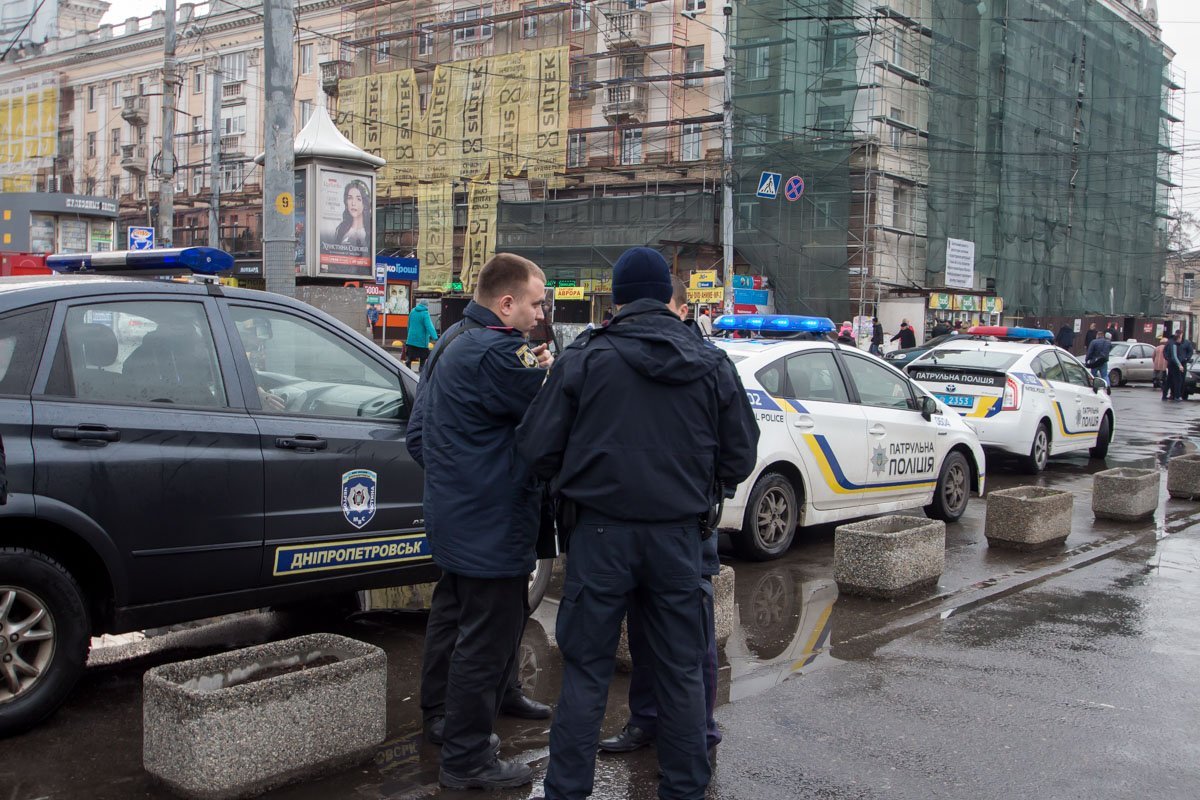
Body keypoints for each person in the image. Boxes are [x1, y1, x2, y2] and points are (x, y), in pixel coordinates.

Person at [517, 246, 759, 800]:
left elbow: (534, 447)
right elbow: (741, 456)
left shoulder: (584, 359)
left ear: (618, 299)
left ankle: (567, 792)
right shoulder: (710, 362)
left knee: (585, 674)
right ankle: (684, 789)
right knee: (679, 674)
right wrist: (701, 487)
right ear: (666, 297)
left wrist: (573, 481)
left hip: (599, 537)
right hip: (679, 538)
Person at [406, 253, 554, 790]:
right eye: (537, 303)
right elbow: (551, 421)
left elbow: (417, 436)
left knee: (456, 617)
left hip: (457, 517)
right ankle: (468, 759)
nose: (542, 314)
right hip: (491, 521)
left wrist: (457, 480)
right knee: (484, 638)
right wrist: (543, 371)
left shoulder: (451, 341)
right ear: (506, 302)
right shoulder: (502, 354)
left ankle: (448, 717)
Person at [597, 274, 725, 768]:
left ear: (678, 307)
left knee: (692, 641)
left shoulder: (706, 360)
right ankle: (647, 720)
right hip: (636, 525)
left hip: (686, 528)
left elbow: (736, 446)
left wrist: (704, 495)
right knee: (648, 634)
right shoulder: (613, 353)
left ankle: (699, 732)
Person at [333, 180, 371, 247]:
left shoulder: (369, 231)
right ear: (346, 202)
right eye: (350, 198)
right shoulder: (341, 229)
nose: (353, 203)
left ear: (364, 203)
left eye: (358, 199)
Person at [405, 301, 438, 372]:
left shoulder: (412, 311)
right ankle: (421, 367)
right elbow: (429, 326)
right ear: (426, 306)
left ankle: (409, 361)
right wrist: (435, 337)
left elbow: (408, 324)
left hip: (411, 339)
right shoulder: (425, 313)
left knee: (411, 352)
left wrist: (409, 334)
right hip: (421, 340)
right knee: (423, 355)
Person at [1164, 331, 1184, 401]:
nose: (1181, 339)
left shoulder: (1169, 342)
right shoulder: (1174, 345)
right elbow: (1174, 356)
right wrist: (1180, 365)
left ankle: (1164, 395)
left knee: (1169, 380)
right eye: (1181, 337)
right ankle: (1177, 396)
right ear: (1178, 338)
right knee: (1178, 380)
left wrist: (1167, 359)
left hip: (1170, 364)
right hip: (1174, 365)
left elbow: (1165, 352)